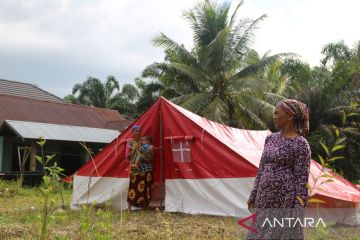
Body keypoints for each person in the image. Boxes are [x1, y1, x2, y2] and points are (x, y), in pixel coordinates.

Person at [246, 99, 311, 240]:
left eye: (277, 113)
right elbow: (262, 169)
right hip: (264, 198)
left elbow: (302, 181)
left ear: (289, 116)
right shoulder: (270, 139)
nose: (274, 116)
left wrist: (298, 210)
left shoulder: (301, 144)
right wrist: (254, 193)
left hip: (284, 201)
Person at [126, 126, 154, 212]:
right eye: (136, 131)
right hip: (135, 169)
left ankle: (145, 206)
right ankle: (129, 208)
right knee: (133, 187)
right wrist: (134, 154)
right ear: (132, 132)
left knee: (146, 187)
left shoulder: (144, 142)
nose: (138, 132)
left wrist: (148, 155)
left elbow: (150, 153)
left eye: (139, 131)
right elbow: (127, 156)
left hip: (146, 168)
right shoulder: (130, 143)